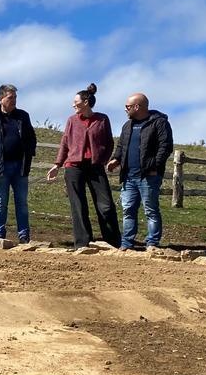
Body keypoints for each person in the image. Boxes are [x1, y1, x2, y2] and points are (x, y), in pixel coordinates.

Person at [46, 83, 121, 248]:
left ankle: (113, 242)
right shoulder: (71, 120)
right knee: (78, 206)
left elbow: (109, 142)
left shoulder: (102, 119)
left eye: (75, 102)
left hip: (95, 167)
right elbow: (65, 142)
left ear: (85, 102)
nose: (73, 105)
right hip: (73, 167)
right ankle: (82, 244)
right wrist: (57, 164)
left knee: (106, 205)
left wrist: (103, 159)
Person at [107, 92, 173, 250]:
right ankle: (127, 243)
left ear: (137, 107)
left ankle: (152, 243)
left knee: (150, 210)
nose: (125, 109)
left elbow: (165, 147)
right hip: (129, 177)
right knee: (128, 209)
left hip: (148, 177)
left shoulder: (159, 123)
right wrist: (116, 159)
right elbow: (121, 146)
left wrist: (153, 167)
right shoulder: (127, 125)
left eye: (127, 106)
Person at [0, 84, 37, 242]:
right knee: (1, 202)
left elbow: (32, 137)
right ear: (0, 98)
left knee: (22, 203)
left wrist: (29, 153)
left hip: (20, 166)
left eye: (15, 98)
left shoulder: (23, 116)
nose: (14, 101)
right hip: (0, 167)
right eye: (10, 98)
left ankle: (24, 236)